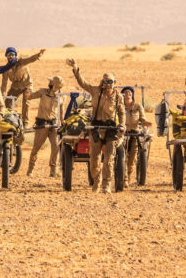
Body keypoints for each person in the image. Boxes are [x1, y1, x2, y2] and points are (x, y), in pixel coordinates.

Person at [68, 59, 125, 193]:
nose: (108, 84)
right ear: (102, 82)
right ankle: (97, 181)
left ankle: (106, 185)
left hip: (111, 129)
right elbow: (83, 83)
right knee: (94, 159)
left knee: (109, 159)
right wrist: (76, 70)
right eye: (106, 82)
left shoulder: (118, 97)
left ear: (114, 83)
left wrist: (122, 125)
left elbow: (122, 113)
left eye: (110, 82)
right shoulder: (95, 91)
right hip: (96, 128)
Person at [0, 47, 45, 128]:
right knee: (7, 102)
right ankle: (9, 119)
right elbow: (4, 85)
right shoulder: (6, 69)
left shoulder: (21, 62)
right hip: (15, 86)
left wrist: (39, 55)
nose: (11, 56)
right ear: (6, 56)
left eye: (13, 54)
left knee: (26, 101)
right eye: (9, 55)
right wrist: (1, 96)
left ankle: (25, 122)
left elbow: (30, 59)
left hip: (27, 84)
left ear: (15, 55)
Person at [25, 75, 64, 177]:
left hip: (53, 124)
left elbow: (62, 113)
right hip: (42, 124)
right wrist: (27, 91)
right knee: (36, 148)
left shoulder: (61, 97)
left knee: (55, 147)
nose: (49, 83)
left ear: (55, 85)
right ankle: (30, 170)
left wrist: (63, 123)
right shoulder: (43, 92)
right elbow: (30, 96)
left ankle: (53, 170)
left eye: (51, 82)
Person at [121, 86, 153, 187]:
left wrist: (145, 122)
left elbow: (143, 119)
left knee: (132, 157)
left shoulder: (138, 106)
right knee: (122, 155)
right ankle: (124, 177)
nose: (128, 94)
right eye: (125, 92)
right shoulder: (119, 106)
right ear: (122, 95)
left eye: (130, 92)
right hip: (122, 133)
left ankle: (128, 176)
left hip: (135, 133)